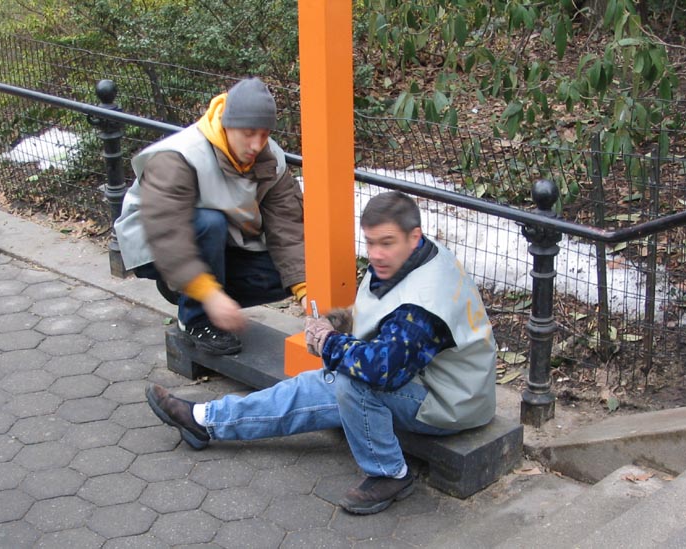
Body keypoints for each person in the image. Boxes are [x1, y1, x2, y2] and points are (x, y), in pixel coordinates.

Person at [145, 191, 497, 515]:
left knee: (351, 383)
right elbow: (388, 322)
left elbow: (381, 371)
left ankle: (390, 473)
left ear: (413, 237)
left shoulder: (422, 306)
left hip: (450, 404)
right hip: (427, 378)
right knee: (306, 390)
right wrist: (339, 320)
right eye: (371, 242)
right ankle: (206, 420)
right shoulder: (416, 255)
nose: (375, 254)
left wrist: (328, 342)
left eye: (386, 243)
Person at [115, 77, 306, 355]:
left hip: (219, 243)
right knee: (208, 222)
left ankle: (195, 293)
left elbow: (287, 228)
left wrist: (306, 292)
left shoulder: (271, 158)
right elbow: (167, 231)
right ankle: (196, 317)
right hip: (155, 244)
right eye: (249, 133)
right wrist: (208, 294)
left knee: (283, 275)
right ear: (228, 125)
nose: (256, 144)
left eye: (264, 134)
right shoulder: (179, 156)